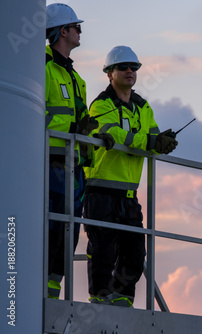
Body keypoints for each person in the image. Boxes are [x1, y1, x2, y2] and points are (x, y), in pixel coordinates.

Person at [83, 46, 177, 307]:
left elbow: (154, 137)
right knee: (102, 247)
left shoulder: (143, 107)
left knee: (135, 250)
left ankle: (122, 298)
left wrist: (164, 141)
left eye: (133, 67)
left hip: (128, 194)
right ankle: (99, 298)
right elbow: (120, 135)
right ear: (109, 73)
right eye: (123, 67)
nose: (129, 71)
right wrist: (152, 141)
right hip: (100, 189)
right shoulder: (101, 104)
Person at [45, 3, 104, 300]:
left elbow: (79, 120)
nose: (80, 31)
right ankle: (41, 292)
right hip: (50, 162)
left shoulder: (75, 78)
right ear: (63, 31)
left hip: (73, 167)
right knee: (52, 229)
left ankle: (52, 292)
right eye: (76, 27)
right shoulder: (41, 68)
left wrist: (93, 132)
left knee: (69, 233)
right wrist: (72, 129)